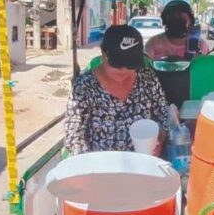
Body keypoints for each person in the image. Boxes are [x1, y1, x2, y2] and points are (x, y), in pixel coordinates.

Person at [64, 25, 167, 155]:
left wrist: (159, 139)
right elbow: (74, 136)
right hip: (100, 164)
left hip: (143, 160)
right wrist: (89, 162)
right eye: (117, 64)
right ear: (103, 53)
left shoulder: (148, 79)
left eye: (130, 64)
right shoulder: (84, 86)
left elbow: (164, 117)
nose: (124, 70)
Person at [145, 0, 209, 60]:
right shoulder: (153, 43)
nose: (176, 20)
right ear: (164, 20)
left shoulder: (200, 45)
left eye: (180, 15)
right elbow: (145, 65)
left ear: (190, 20)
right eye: (172, 16)